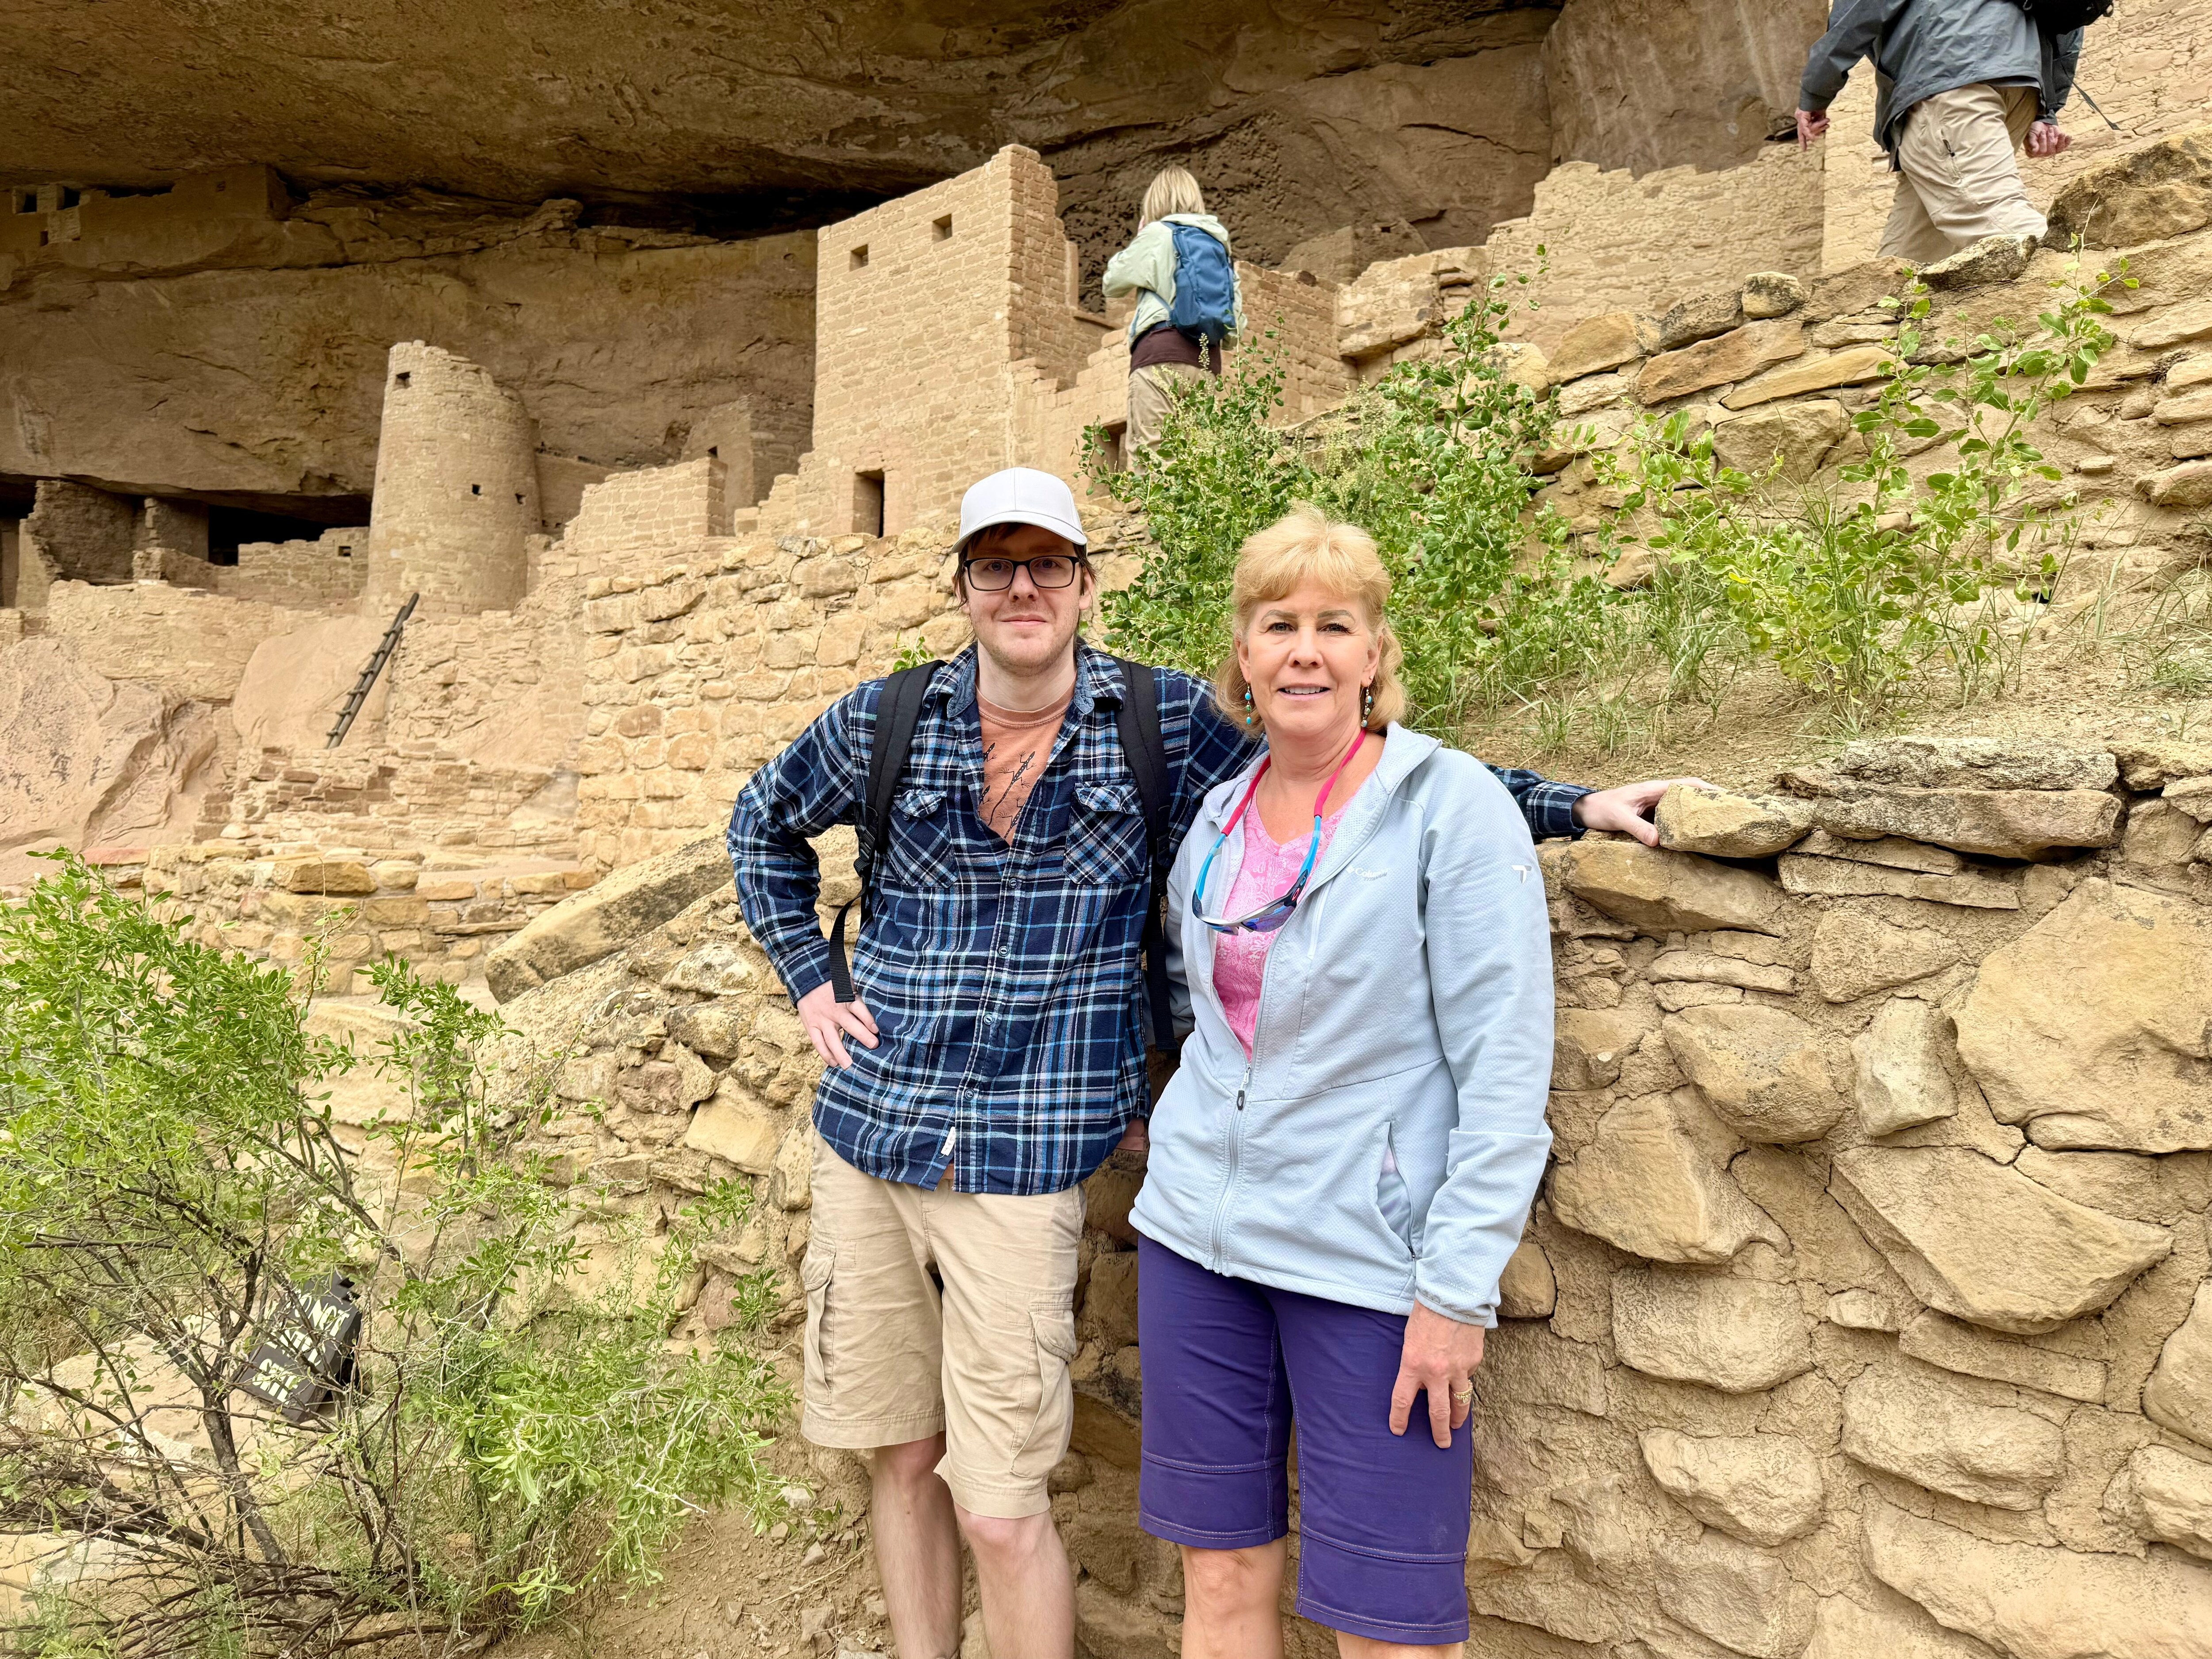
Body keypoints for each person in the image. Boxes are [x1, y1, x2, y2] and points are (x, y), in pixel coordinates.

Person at [727, 466, 1685, 1659]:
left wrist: (1571, 803)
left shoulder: (1160, 723)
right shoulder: (887, 717)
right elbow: (758, 820)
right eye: (995, 565)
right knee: (916, 1461)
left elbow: (1368, 766)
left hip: (1048, 1153)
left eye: (1047, 564)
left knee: (1002, 1493)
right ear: (964, 585)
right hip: (893, 1134)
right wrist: (810, 978)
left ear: (1085, 582)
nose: (1021, 586)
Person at [1129, 506, 1551, 1659]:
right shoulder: (1217, 817)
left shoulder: (1448, 807)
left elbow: (1505, 1072)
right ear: (1245, 657)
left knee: (1388, 1626)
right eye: (1279, 625)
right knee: (1219, 1577)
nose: (1304, 649)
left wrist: (1457, 1288)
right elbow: (1208, 1027)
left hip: (1369, 1267)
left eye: (1334, 624)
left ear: (1374, 655)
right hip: (1195, 1245)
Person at [1795, 0, 2085, 265]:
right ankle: (1884, 321)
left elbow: (1857, 14)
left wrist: (1814, 96)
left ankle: (2092, 279)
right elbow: (2070, 29)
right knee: (1907, 265)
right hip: (2020, 89)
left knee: (1988, 214)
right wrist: (2046, 111)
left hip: (1948, 77)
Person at [1102, 165, 1244, 464]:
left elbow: (1112, 283)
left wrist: (1141, 236)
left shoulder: (1158, 234)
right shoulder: (1219, 246)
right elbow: (1236, 319)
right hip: (1205, 362)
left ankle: (1150, 513)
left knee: (1151, 455)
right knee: (1196, 461)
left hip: (1160, 354)